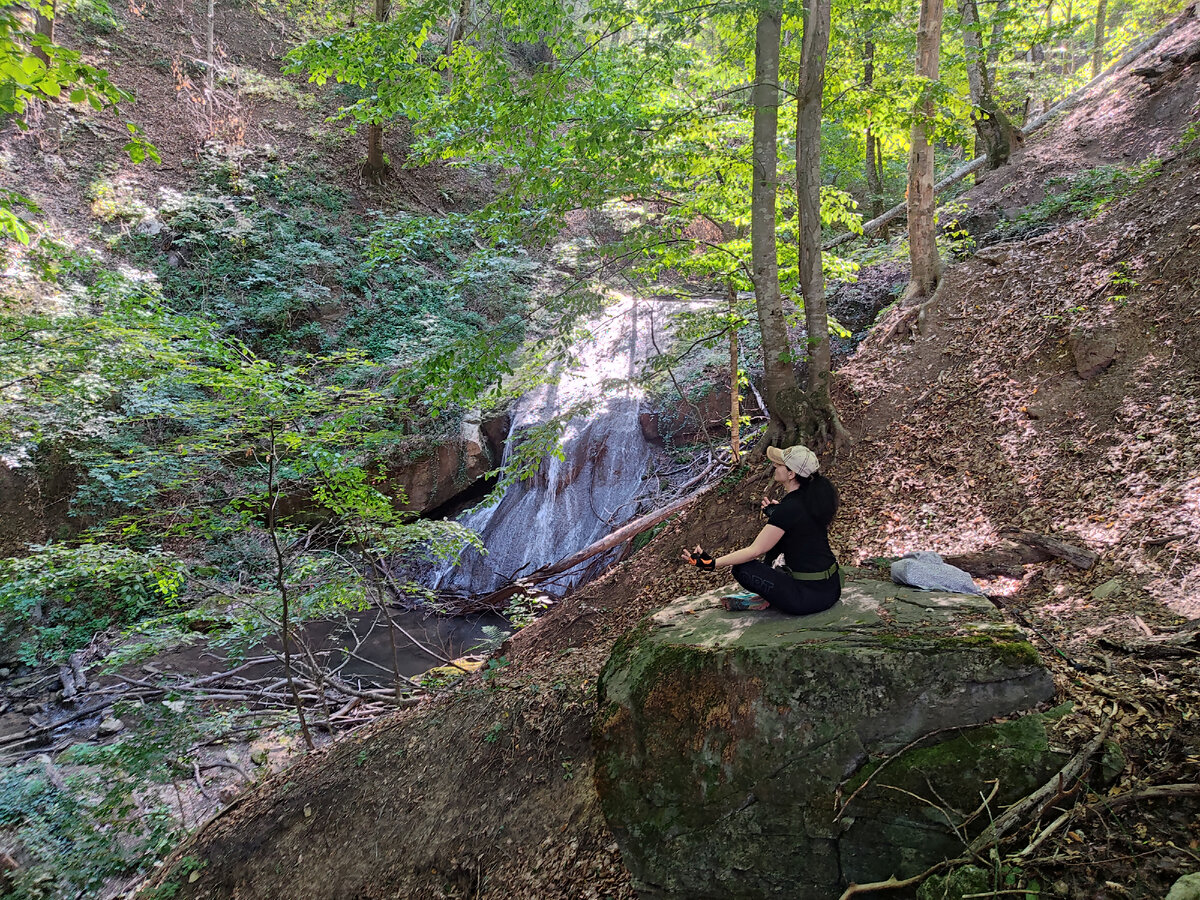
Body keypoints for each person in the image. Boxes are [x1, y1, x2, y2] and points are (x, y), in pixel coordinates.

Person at [680, 444, 841, 614]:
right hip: (831, 589)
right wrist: (776, 514)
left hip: (807, 599)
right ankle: (771, 595)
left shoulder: (790, 508)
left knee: (742, 568)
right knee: (778, 542)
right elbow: (800, 526)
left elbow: (755, 550)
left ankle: (767, 599)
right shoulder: (814, 498)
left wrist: (711, 564)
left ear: (791, 474)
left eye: (779, 465)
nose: (774, 466)